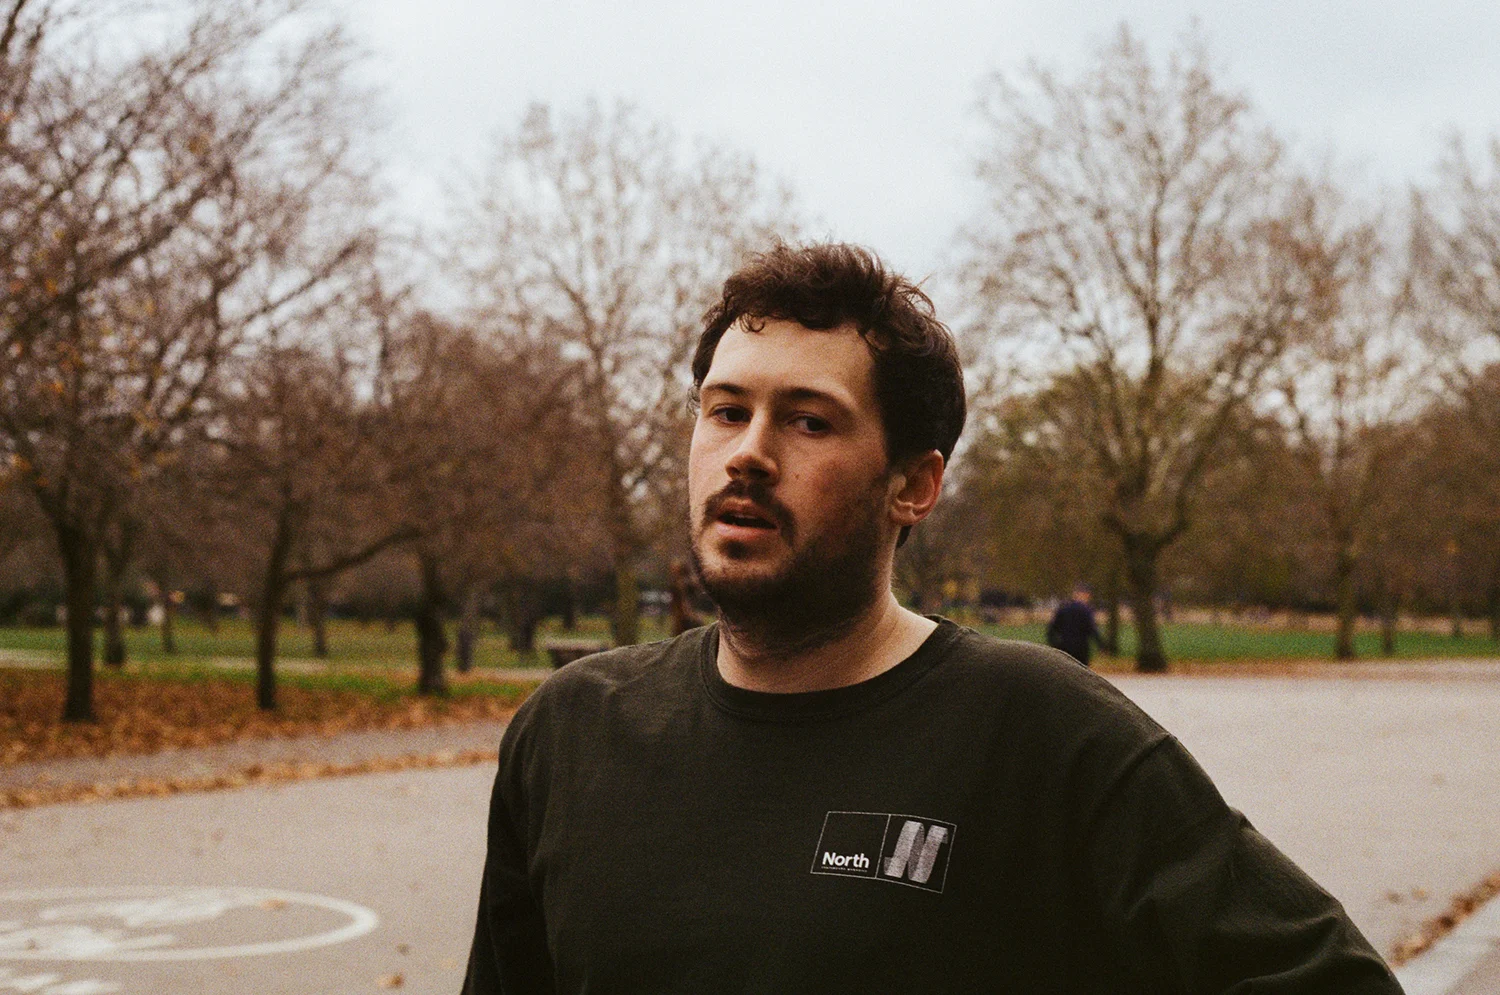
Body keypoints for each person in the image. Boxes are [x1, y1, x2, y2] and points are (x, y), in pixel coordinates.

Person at [462, 242, 1402, 993]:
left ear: (913, 483)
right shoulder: (570, 730)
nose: (747, 453)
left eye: (809, 420)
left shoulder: (1040, 730)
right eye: (725, 410)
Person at [1046, 584, 1104, 667]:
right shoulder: (1086, 611)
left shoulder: (1063, 609)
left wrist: (1054, 645)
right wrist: (1101, 645)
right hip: (1081, 648)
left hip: (1064, 647)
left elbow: (1052, 629)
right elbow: (1092, 629)